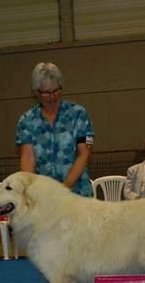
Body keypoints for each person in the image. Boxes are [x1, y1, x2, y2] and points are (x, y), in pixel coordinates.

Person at [16, 62, 94, 196]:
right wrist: (27, 190)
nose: (52, 96)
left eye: (56, 90)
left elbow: (84, 153)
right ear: (36, 92)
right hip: (44, 196)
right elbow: (28, 158)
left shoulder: (78, 114)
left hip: (78, 194)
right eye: (46, 92)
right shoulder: (27, 121)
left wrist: (64, 188)